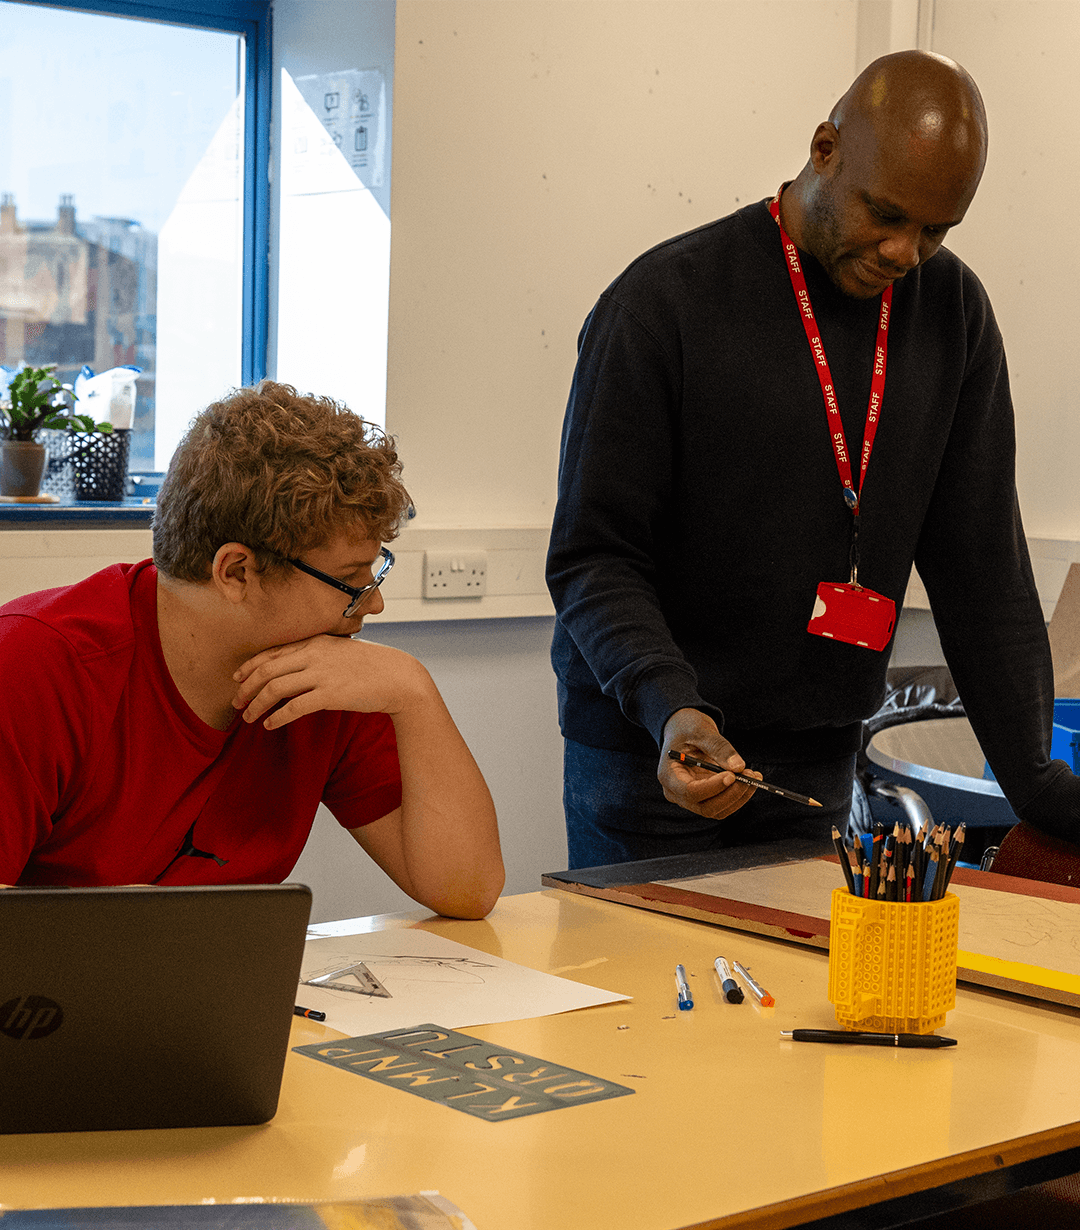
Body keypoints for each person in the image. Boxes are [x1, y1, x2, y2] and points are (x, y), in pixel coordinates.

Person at [547, 49, 1080, 869]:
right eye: (887, 214)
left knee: (802, 997)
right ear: (824, 149)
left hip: (815, 761)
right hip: (658, 759)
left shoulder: (953, 317)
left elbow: (985, 575)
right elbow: (594, 557)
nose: (906, 251)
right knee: (651, 991)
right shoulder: (663, 305)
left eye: (935, 231)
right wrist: (671, 708)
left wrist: (1039, 785)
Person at [0, 382, 505, 918]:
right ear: (237, 571)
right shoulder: (33, 669)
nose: (374, 604)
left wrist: (415, 694)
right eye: (351, 580)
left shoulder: (326, 674)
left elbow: (466, 891)